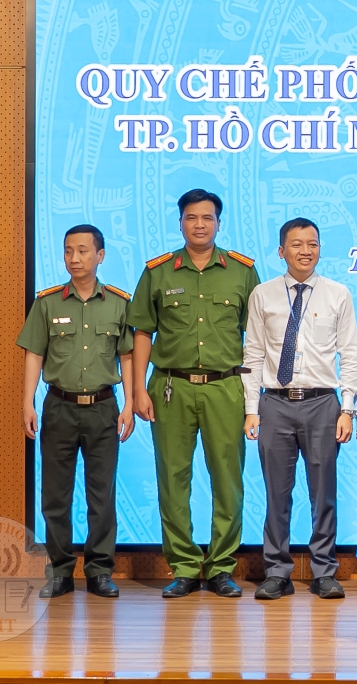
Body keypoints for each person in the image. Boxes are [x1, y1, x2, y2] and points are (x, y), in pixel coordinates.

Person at [128, 188, 259, 599]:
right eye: (191, 217)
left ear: (219, 223)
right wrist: (136, 391)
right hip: (170, 387)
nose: (199, 224)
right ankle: (183, 566)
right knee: (172, 478)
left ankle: (221, 567)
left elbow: (254, 338)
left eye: (207, 218)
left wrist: (252, 397)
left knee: (228, 480)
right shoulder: (158, 271)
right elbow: (142, 332)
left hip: (225, 387)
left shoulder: (242, 271)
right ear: (180, 222)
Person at [242, 217, 357, 601]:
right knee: (277, 494)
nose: (305, 250)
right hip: (275, 403)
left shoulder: (337, 293)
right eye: (296, 244)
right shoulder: (263, 293)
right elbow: (254, 353)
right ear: (281, 251)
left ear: (320, 249)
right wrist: (251, 409)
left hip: (323, 404)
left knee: (323, 492)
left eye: (312, 243)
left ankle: (324, 570)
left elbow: (352, 355)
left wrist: (348, 409)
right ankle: (277, 571)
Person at [18, 224, 135, 599]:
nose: (75, 258)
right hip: (59, 407)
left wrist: (130, 402)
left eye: (83, 251)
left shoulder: (119, 302)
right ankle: (60, 572)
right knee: (55, 495)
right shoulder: (48, 301)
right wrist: (27, 401)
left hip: (103, 408)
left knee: (101, 495)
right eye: (68, 251)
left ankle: (100, 571)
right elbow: (34, 353)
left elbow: (127, 355)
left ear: (100, 255)